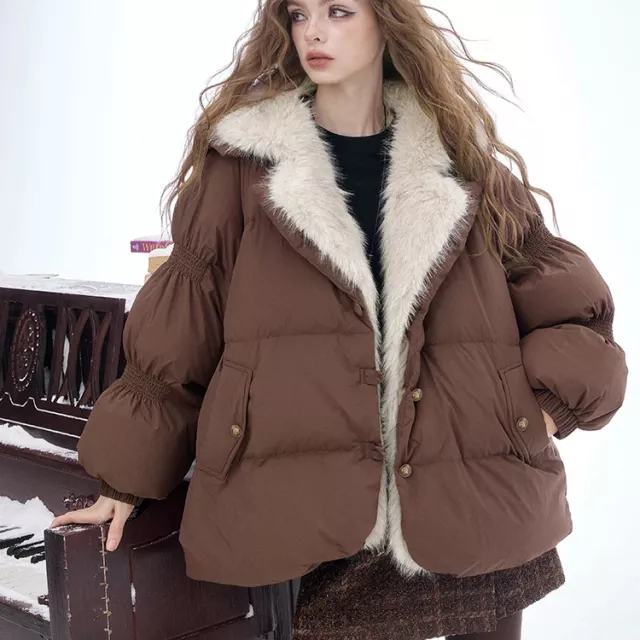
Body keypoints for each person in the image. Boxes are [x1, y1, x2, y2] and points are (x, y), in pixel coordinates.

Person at [50, 0, 628, 638]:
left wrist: (542, 409)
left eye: (339, 11)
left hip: (475, 491)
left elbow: (572, 305)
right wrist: (124, 480)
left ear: (387, 21)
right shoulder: (242, 165)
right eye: (299, 14)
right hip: (317, 512)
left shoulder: (460, 156)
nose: (314, 32)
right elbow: (184, 323)